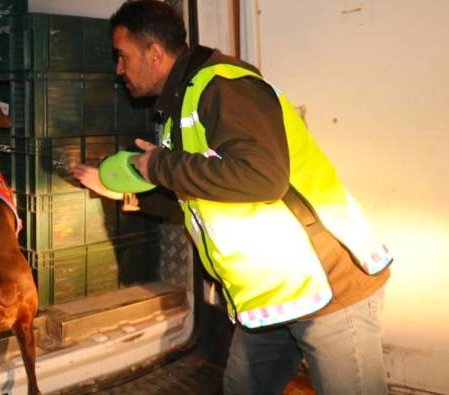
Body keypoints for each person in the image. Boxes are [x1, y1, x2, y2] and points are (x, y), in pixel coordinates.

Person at [72, 1, 393, 394]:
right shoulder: (179, 108)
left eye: (122, 56)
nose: (118, 69)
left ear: (154, 53)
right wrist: (128, 193)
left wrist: (160, 167)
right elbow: (203, 193)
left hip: (328, 286)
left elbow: (261, 178)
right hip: (273, 297)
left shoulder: (223, 86)